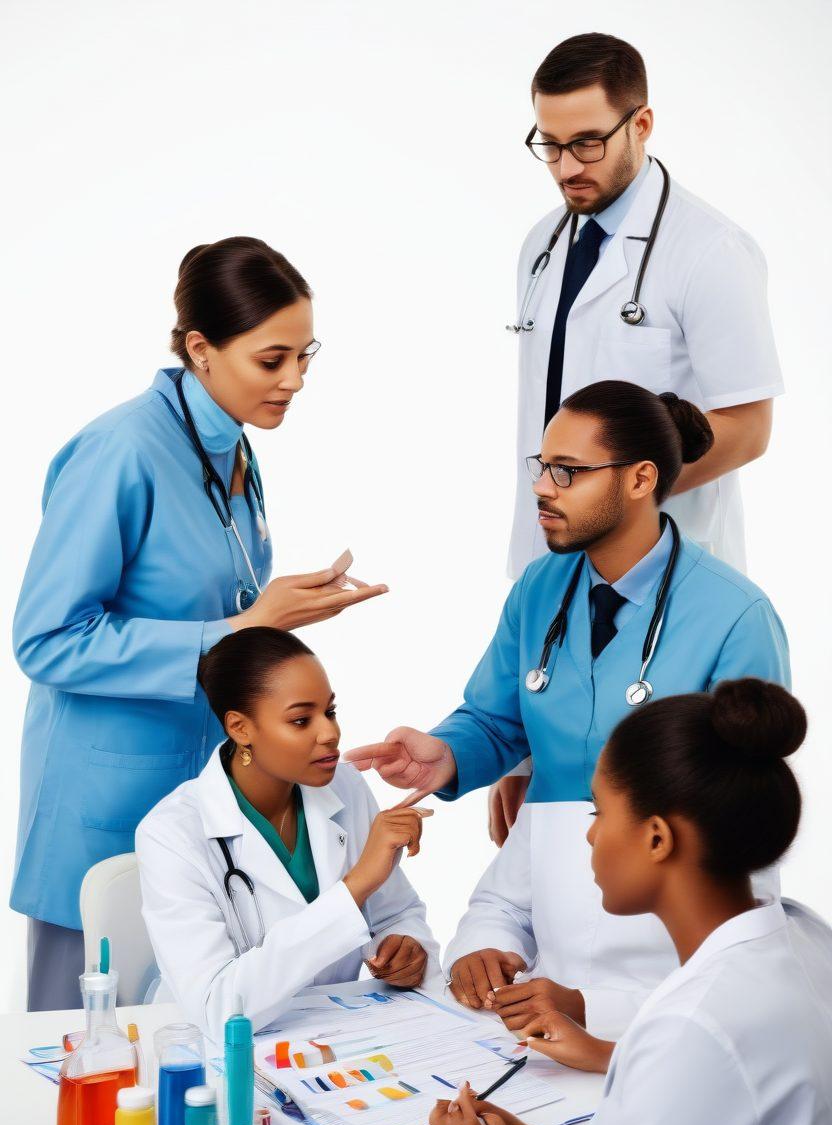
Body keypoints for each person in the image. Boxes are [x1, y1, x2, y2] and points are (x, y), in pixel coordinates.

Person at [345, 381, 789, 1038]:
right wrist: (447, 752)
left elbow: (748, 829)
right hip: (557, 955)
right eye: (541, 466)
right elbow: (498, 719)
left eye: (569, 472)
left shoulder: (735, 617)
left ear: (641, 479)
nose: (543, 488)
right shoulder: (539, 589)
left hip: (675, 971)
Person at [13, 236, 388, 1011]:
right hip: (106, 801)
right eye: (272, 359)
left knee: (204, 1038)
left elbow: (220, 607)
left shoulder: (231, 447)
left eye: (306, 355)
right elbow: (44, 638)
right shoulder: (121, 451)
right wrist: (242, 625)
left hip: (202, 797)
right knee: (80, 1050)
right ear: (199, 348)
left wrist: (278, 617)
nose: (295, 380)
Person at [429, 679, 832, 1125]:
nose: (589, 837)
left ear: (658, 839)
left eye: (597, 812)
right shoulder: (804, 939)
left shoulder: (691, 1028)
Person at [508, 33, 782, 579]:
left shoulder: (711, 251)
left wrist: (613, 503)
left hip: (663, 561)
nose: (565, 169)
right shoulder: (542, 244)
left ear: (641, 125)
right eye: (551, 145)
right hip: (548, 560)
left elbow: (749, 428)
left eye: (587, 142)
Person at [136, 627, 438, 1044]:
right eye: (301, 720)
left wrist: (405, 948)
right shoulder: (171, 834)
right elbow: (219, 1008)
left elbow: (396, 914)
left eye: (330, 712)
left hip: (337, 1034)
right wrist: (356, 886)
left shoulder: (345, 786)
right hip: (216, 1053)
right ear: (241, 728)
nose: (329, 733)